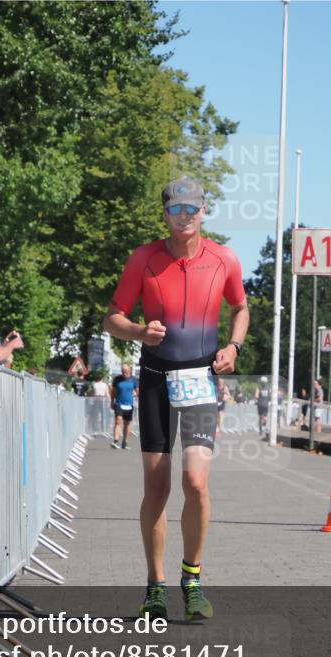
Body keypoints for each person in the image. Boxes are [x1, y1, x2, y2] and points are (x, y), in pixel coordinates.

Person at [103, 176, 248, 621]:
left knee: (197, 484)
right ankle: (154, 587)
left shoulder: (223, 259)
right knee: (157, 487)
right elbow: (112, 318)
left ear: (204, 211)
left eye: (192, 209)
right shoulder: (143, 259)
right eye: (175, 209)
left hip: (201, 378)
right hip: (155, 376)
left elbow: (241, 308)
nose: (184, 217)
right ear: (164, 213)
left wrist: (233, 348)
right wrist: (138, 331)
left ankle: (192, 578)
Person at [110, 363, 137, 450]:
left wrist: (136, 394)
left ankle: (125, 442)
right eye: (122, 371)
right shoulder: (117, 379)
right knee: (118, 420)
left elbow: (138, 390)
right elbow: (113, 391)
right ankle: (115, 440)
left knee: (127, 424)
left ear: (129, 371)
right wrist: (111, 401)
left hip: (129, 404)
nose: (124, 373)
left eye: (125, 372)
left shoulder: (134, 379)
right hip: (119, 403)